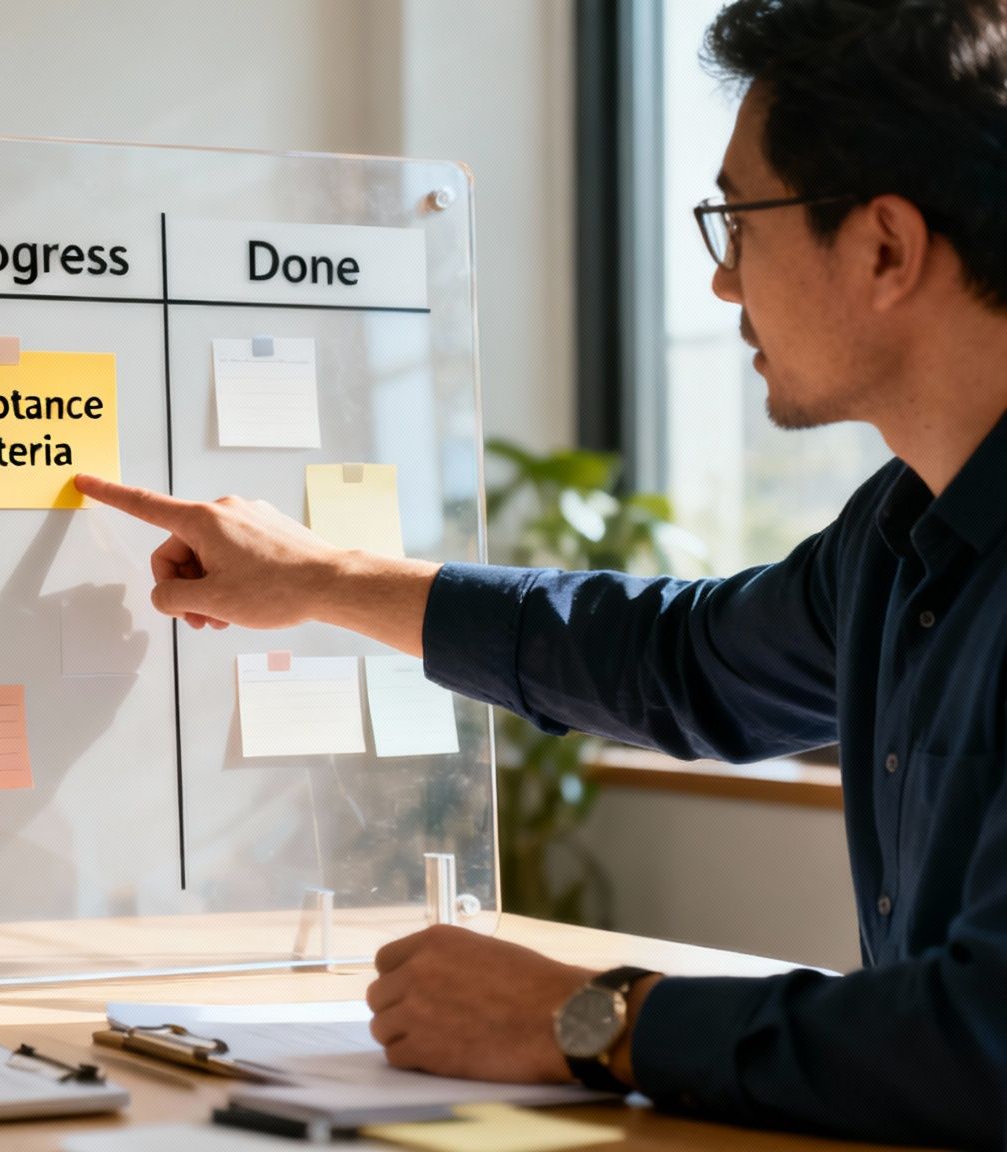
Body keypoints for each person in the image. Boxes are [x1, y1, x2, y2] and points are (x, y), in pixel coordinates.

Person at [77, 0, 1007, 1145]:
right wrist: (317, 576)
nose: (721, 284)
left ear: (881, 248)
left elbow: (980, 1039)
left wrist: (591, 1020)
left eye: (737, 220)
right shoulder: (900, 527)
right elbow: (679, 664)